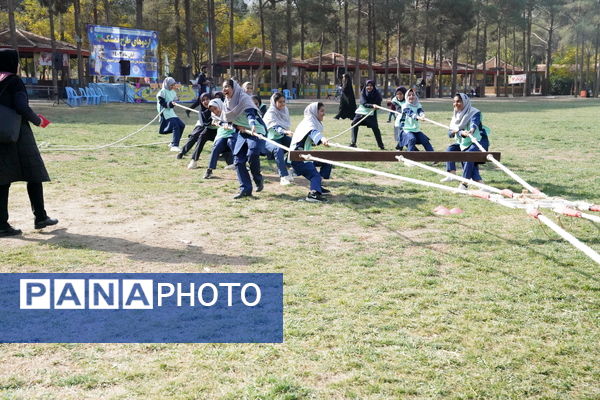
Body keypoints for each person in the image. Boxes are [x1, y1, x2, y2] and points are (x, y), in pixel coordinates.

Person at [0, 49, 57, 236]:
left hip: (2, 137)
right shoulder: (14, 81)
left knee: (2, 181)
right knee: (34, 174)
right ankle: (40, 216)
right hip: (19, 135)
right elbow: (21, 106)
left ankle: (2, 224)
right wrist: (38, 120)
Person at [223, 79, 267, 199]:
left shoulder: (244, 98)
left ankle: (258, 179)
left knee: (252, 154)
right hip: (242, 132)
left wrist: (252, 125)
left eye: (227, 86)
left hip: (256, 130)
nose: (224, 89)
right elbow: (227, 120)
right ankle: (246, 189)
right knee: (238, 160)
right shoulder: (226, 103)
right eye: (223, 87)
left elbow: (250, 113)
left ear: (234, 88)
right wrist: (236, 126)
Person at [441, 93, 490, 190]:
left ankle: (464, 183)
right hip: (464, 143)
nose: (456, 104)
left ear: (465, 102)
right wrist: (457, 132)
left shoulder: (474, 112)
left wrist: (470, 130)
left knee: (468, 155)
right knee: (450, 149)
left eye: (459, 101)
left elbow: (474, 123)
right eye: (454, 102)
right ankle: (452, 174)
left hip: (479, 141)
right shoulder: (456, 115)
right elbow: (450, 133)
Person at [291, 102, 332, 203]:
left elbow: (310, 139)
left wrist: (321, 141)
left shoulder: (310, 121)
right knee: (315, 176)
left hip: (305, 155)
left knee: (327, 162)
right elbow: (313, 132)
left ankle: (317, 185)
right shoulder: (308, 123)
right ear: (314, 112)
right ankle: (313, 195)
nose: (324, 114)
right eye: (321, 111)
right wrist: (322, 138)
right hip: (298, 158)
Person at [263, 92, 293, 186]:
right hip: (269, 139)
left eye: (284, 101)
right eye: (280, 102)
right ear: (274, 102)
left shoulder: (285, 110)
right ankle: (283, 176)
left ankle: (291, 168)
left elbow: (285, 124)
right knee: (278, 149)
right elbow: (274, 127)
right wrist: (285, 132)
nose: (282, 104)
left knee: (296, 145)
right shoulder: (270, 113)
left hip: (281, 137)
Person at [177, 92, 214, 169]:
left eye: (207, 99)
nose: (205, 101)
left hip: (216, 129)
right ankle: (183, 152)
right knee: (195, 135)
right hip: (204, 126)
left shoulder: (216, 107)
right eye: (203, 100)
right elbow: (204, 123)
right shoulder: (201, 111)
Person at [203, 98, 236, 179]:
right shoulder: (213, 115)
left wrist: (227, 123)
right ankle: (209, 170)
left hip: (232, 132)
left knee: (232, 143)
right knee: (216, 147)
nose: (214, 111)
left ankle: (241, 165)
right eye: (212, 110)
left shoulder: (228, 111)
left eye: (215, 108)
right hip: (222, 134)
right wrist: (216, 122)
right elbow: (215, 121)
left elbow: (234, 121)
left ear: (220, 106)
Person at [350, 80, 385, 149]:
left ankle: (381, 145)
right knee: (354, 124)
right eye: (367, 85)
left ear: (373, 86)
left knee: (375, 128)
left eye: (371, 86)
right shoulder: (363, 93)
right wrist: (372, 105)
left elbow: (379, 103)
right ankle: (353, 143)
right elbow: (364, 103)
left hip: (371, 115)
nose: (369, 87)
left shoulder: (377, 93)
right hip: (361, 114)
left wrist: (377, 106)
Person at [399, 88, 434, 152]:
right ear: (406, 97)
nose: (411, 96)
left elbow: (420, 110)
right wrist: (418, 117)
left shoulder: (417, 105)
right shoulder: (405, 106)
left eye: (413, 95)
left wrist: (422, 115)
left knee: (424, 140)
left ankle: (433, 157)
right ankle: (410, 157)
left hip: (416, 129)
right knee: (412, 139)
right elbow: (410, 113)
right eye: (409, 95)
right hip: (407, 129)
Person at [157, 77, 186, 152]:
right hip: (164, 112)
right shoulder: (162, 92)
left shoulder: (173, 92)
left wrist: (174, 102)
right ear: (167, 84)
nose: (173, 87)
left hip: (171, 112)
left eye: (174, 85)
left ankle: (173, 142)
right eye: (171, 85)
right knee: (175, 125)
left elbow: (174, 100)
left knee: (181, 125)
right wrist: (169, 103)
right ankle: (174, 146)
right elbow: (162, 103)